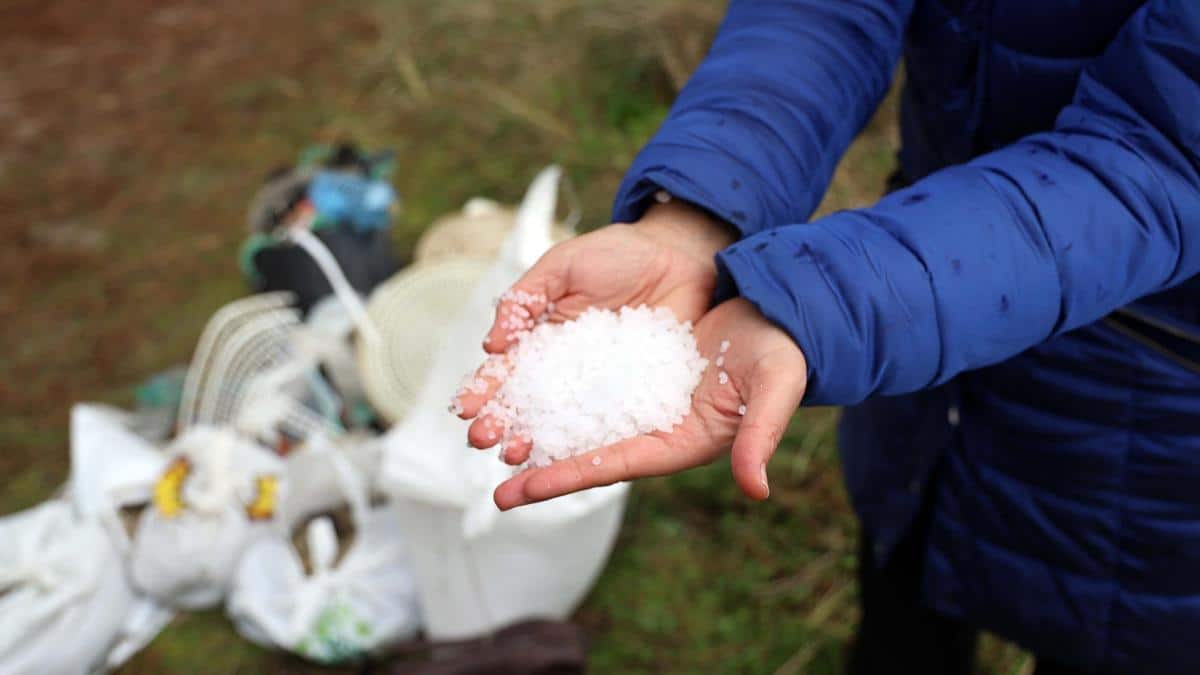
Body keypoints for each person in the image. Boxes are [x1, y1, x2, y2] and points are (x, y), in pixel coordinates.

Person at [457, 1, 1200, 673]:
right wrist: (695, 212)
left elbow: (1165, 153)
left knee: (1101, 639)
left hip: (1148, 421)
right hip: (918, 347)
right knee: (902, 609)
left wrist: (818, 302)